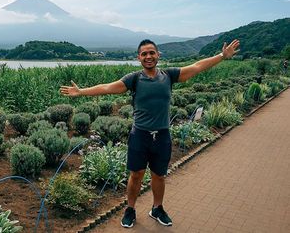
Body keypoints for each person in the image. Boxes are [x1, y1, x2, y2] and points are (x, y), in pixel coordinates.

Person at [60, 38, 240, 228]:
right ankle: (130, 209)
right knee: (136, 174)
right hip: (140, 136)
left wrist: (222, 56)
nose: (148, 56)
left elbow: (196, 67)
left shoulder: (169, 75)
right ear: (139, 57)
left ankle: (157, 208)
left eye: (151, 52)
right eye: (144, 53)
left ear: (158, 55)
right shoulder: (134, 79)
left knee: (159, 175)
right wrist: (81, 92)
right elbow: (107, 87)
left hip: (162, 136)